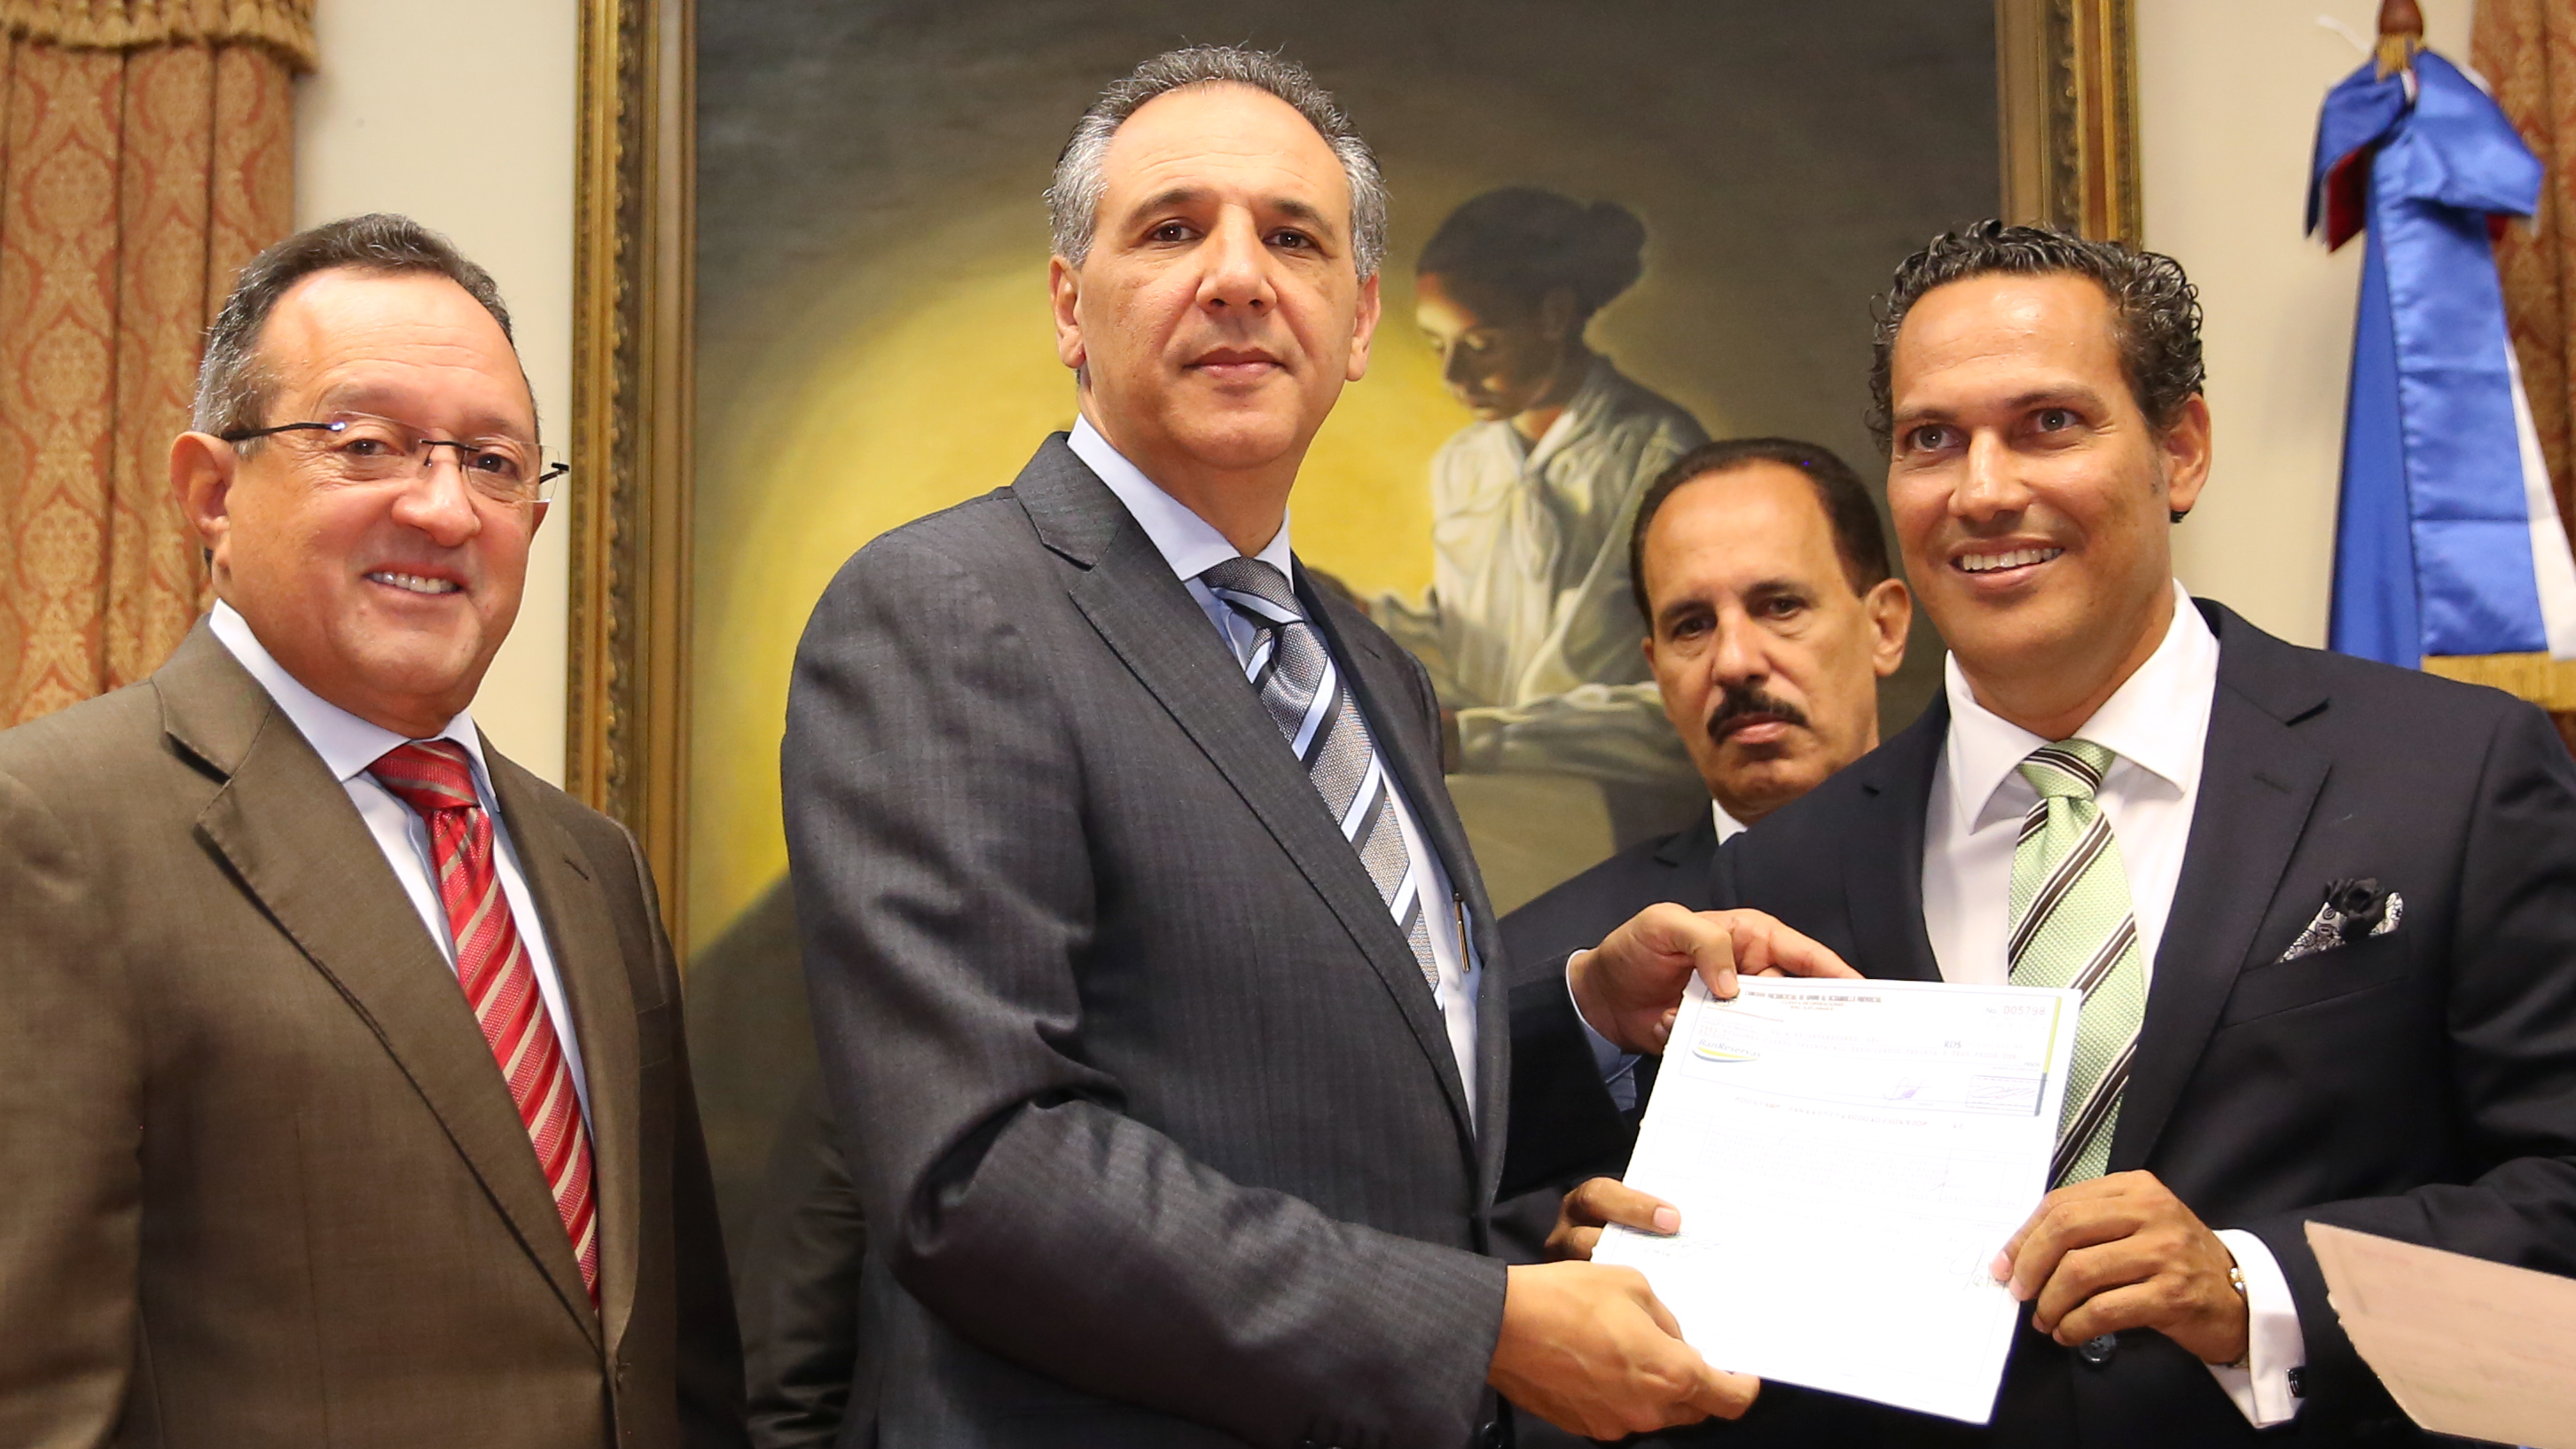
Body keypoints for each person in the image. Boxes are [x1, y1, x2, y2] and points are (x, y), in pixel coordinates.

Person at [780, 46, 1853, 1448]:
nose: (1238, 275)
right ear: (1068, 304)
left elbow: (1351, 1117)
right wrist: (1481, 1326)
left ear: (1355, 323)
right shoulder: (942, 608)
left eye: (1292, 238)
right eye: (1173, 229)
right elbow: (981, 1171)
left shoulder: (1372, 666)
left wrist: (1586, 1011)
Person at [1552, 222, 2576, 1445]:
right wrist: (1659, 1279)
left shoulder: (2447, 775)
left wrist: (2256, 1286)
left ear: (2178, 450)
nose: (1983, 490)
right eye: (1932, 439)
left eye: (2047, 423)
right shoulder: (1782, 876)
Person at [0, 215, 747, 1447]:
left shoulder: (593, 862)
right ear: (211, 493)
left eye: (493, 462)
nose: (444, 508)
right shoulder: (50, 827)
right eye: (366, 445)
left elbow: (680, 1359)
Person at [1501, 437, 1911, 1196]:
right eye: (1691, 625)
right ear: (1656, 671)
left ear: (1883, 626)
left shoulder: (2008, 887)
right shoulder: (1547, 965)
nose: (1734, 662)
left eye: (1779, 607)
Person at [1375, 187, 1709, 795]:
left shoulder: (1658, 456)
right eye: (1437, 346)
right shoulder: (1463, 464)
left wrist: (1475, 738)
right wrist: (1365, 619)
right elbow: (1476, 651)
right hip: (1489, 797)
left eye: (1480, 345)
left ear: (1555, 315)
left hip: (1616, 799)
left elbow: (1687, 690)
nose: (1452, 376)